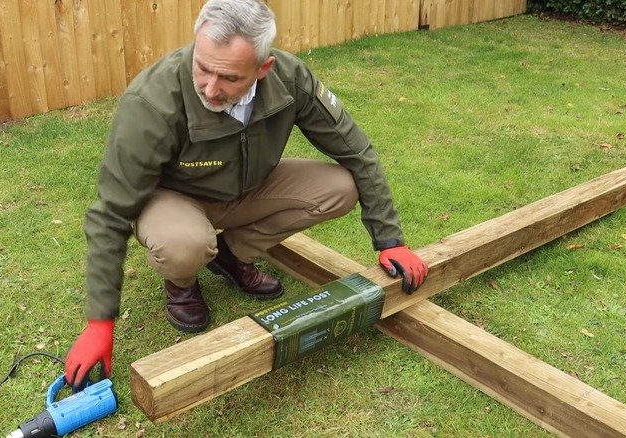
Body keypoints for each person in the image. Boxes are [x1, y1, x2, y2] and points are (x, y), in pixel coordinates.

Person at [64, 0, 428, 389]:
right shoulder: (153, 99)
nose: (209, 87)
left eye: (229, 78)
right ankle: (183, 282)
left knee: (340, 188)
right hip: (172, 198)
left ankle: (232, 256)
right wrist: (98, 322)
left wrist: (390, 239)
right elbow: (111, 208)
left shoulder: (290, 79)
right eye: (202, 67)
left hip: (246, 187)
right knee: (186, 244)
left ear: (263, 68)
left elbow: (355, 151)